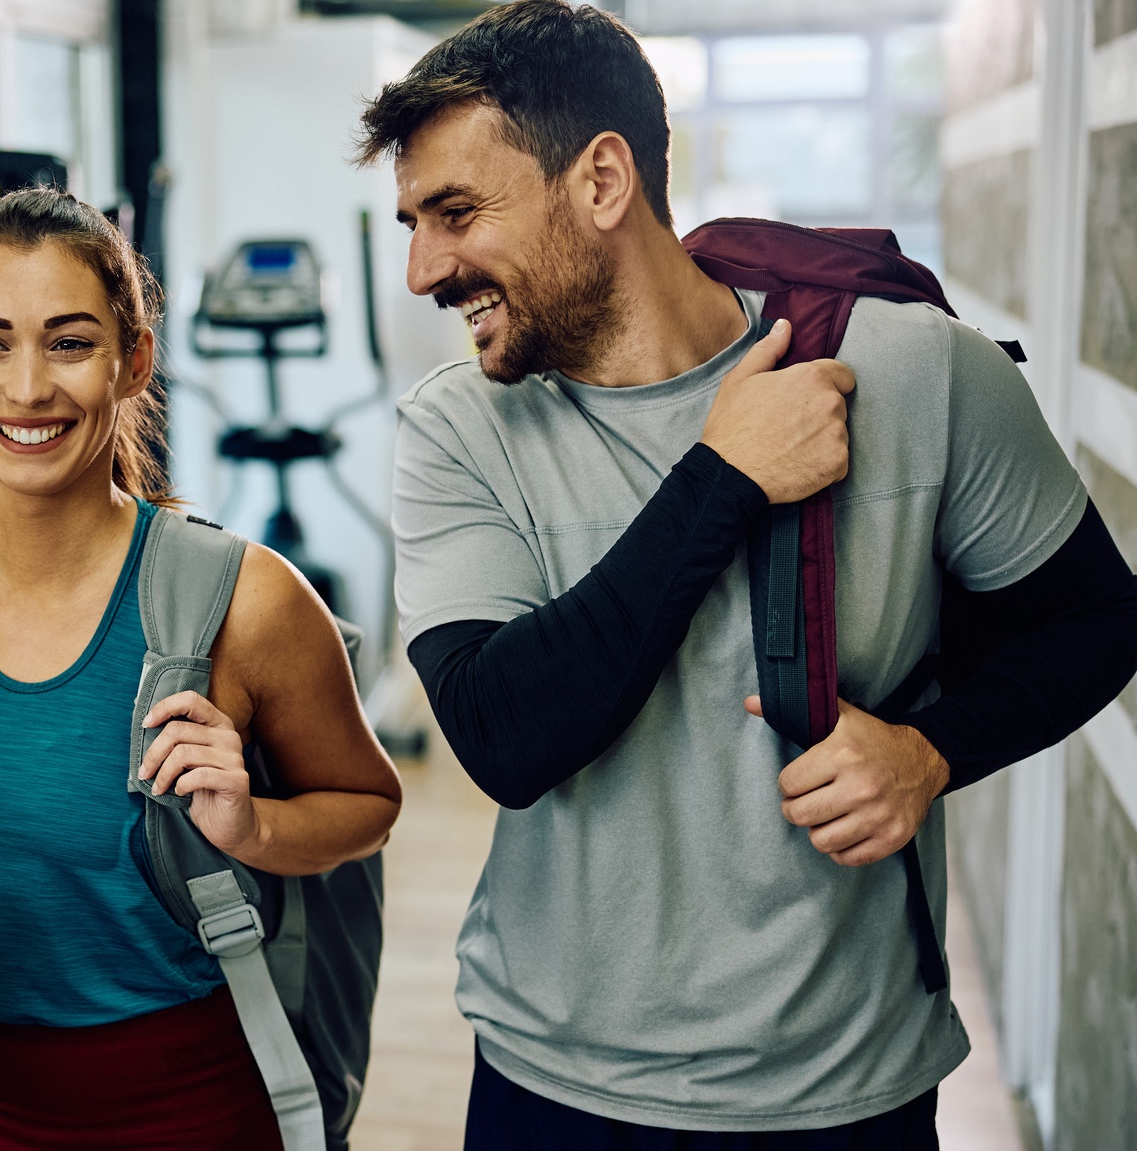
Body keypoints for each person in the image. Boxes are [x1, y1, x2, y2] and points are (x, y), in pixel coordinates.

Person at [360, 1, 1137, 1146]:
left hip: (848, 1082)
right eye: (410, 223)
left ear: (601, 180)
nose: (425, 266)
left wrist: (931, 753)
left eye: (455, 213)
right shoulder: (454, 432)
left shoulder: (914, 371)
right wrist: (720, 474)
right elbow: (503, 736)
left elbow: (1092, 621)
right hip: (553, 1077)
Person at [0, 188, 402, 1150]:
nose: (27, 388)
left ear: (132, 361)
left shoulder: (246, 596)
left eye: (69, 342)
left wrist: (251, 823)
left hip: (186, 1101)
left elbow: (368, 805)